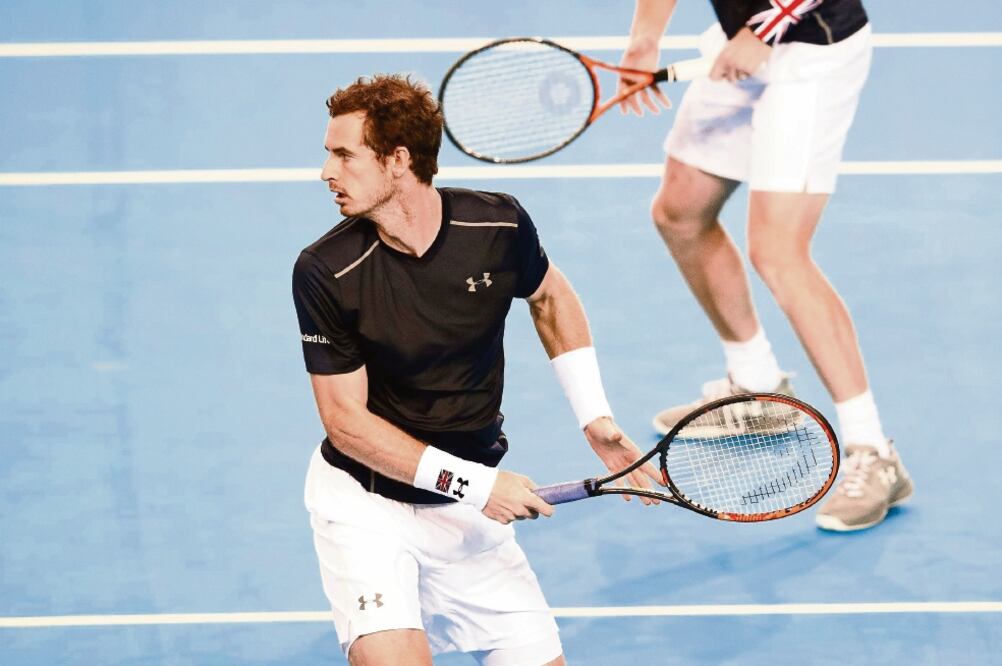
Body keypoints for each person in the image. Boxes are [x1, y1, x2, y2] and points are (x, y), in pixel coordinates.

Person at [293, 74, 660, 666]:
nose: (326, 172)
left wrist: (594, 417)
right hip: (367, 506)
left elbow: (551, 297)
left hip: (465, 520)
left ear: (399, 160)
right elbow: (345, 424)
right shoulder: (326, 269)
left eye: (344, 154)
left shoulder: (497, 226)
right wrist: (475, 484)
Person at [617, 0, 913, 531]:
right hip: (746, 41)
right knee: (681, 211)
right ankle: (759, 389)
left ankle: (874, 452)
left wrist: (764, 26)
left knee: (779, 251)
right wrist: (644, 40)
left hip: (812, 52)